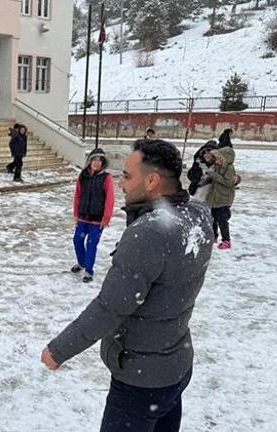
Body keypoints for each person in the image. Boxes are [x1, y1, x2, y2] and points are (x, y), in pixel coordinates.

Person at [42, 139, 214, 432]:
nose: (121, 183)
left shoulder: (148, 235)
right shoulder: (197, 214)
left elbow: (109, 308)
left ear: (152, 181)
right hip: (176, 366)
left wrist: (58, 350)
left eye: (127, 176)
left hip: (141, 382)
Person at [71, 148, 115, 283]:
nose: (96, 162)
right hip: (83, 217)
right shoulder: (83, 176)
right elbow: (78, 195)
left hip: (97, 220)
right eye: (94, 159)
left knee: (91, 244)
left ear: (103, 162)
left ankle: (89, 271)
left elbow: (110, 198)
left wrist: (106, 217)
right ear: (89, 161)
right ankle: (82, 263)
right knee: (77, 240)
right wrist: (76, 212)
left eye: (99, 160)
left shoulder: (106, 178)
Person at [204, 146, 237, 249]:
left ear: (225, 158)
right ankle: (214, 237)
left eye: (218, 158)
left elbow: (227, 182)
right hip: (215, 197)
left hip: (223, 199)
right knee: (213, 218)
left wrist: (213, 175)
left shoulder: (230, 168)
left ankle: (226, 240)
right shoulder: (218, 166)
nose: (216, 160)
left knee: (222, 220)